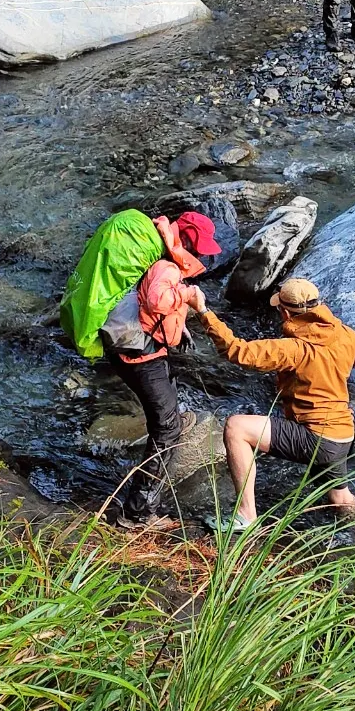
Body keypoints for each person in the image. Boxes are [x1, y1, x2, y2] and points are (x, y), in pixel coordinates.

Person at [188, 277, 355, 531]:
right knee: (339, 497)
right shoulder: (344, 334)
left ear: (286, 312)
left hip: (315, 438)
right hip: (341, 437)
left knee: (236, 427)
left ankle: (246, 515)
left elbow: (237, 351)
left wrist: (202, 311)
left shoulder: (294, 348)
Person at [76, 211, 222, 530]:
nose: (202, 257)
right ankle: (137, 513)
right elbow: (157, 299)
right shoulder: (165, 265)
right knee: (167, 429)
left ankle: (172, 416)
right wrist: (189, 296)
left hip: (137, 347)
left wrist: (179, 326)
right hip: (139, 355)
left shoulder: (160, 257)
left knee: (167, 396)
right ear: (187, 242)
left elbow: (150, 304)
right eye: (200, 250)